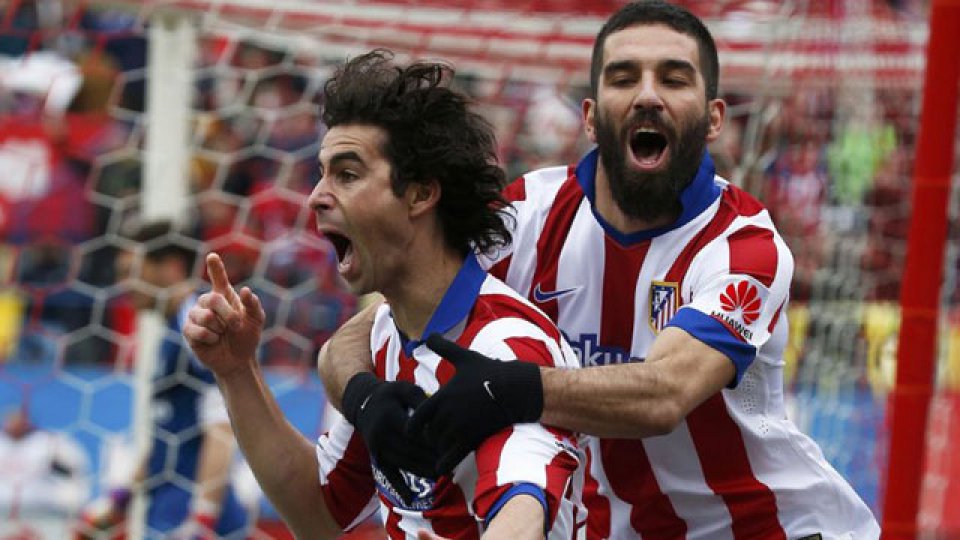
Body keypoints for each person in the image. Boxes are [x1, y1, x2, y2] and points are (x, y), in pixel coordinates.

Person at [320, 2, 881, 538]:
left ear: (713, 119)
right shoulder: (526, 217)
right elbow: (375, 325)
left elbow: (665, 394)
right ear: (590, 118)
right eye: (622, 78)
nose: (647, 96)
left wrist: (510, 390)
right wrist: (364, 396)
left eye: (674, 78)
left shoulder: (743, 246)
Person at [182, 49, 583, 539]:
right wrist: (237, 371)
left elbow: (522, 522)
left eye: (347, 175)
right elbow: (321, 513)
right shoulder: (385, 340)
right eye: (322, 173)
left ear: (419, 194)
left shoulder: (504, 349)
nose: (316, 196)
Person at [77, 219, 249, 539]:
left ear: (170, 267)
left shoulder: (197, 322)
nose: (123, 284)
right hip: (166, 512)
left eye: (132, 271)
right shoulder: (170, 332)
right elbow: (169, 435)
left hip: (187, 519)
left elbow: (221, 427)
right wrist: (118, 502)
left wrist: (202, 520)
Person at [0, 407, 90, 519]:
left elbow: (77, 472)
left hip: (44, 511)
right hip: (3, 508)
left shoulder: (51, 442)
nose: (15, 424)